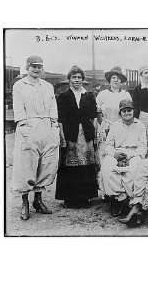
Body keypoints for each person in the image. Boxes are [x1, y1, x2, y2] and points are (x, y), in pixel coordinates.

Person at [12, 55, 59, 220]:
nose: (36, 69)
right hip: (29, 126)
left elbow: (53, 106)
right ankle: (24, 203)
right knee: (27, 165)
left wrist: (54, 125)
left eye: (39, 67)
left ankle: (38, 201)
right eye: (33, 66)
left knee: (45, 164)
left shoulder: (47, 86)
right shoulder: (19, 85)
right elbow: (18, 108)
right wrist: (24, 126)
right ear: (27, 67)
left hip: (46, 126)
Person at [55, 65, 98, 208]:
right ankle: (70, 198)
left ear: (82, 80)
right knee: (70, 165)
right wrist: (62, 136)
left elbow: (93, 117)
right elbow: (60, 118)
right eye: (74, 77)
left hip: (86, 134)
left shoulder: (89, 96)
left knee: (86, 164)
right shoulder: (63, 96)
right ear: (69, 79)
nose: (77, 80)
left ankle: (85, 197)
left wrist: (94, 136)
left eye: (79, 77)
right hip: (70, 134)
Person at [100, 99, 147, 217]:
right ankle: (117, 199)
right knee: (107, 167)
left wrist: (130, 156)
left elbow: (143, 146)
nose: (127, 113)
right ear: (120, 113)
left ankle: (129, 201)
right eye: (124, 111)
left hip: (134, 153)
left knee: (133, 170)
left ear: (133, 111)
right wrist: (114, 154)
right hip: (116, 152)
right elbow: (108, 145)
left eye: (129, 110)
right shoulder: (115, 125)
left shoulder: (140, 125)